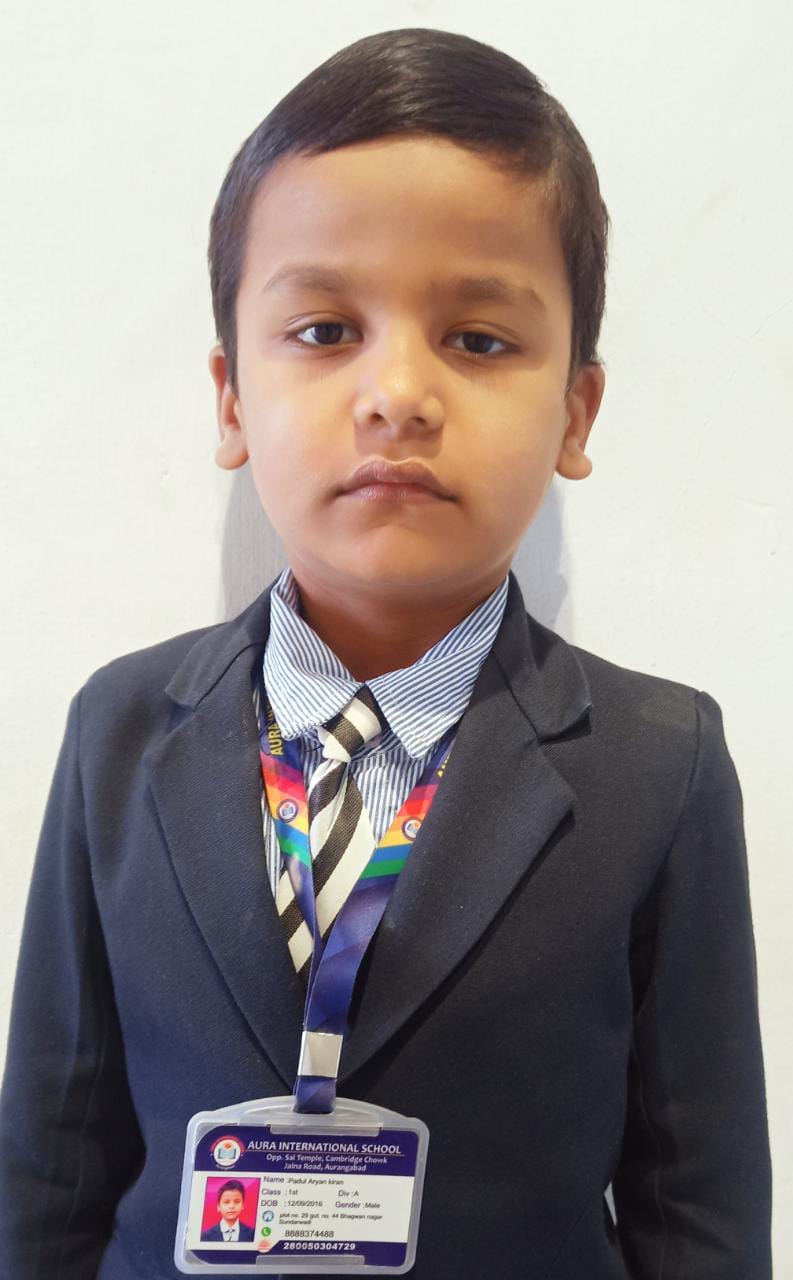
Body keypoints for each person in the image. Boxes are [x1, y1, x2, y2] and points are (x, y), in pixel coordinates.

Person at [0, 25, 772, 1280]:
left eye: (478, 339)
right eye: (322, 330)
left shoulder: (660, 762)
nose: (397, 392)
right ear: (231, 399)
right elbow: (50, 1164)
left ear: (575, 410)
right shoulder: (120, 728)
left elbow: (698, 1205)